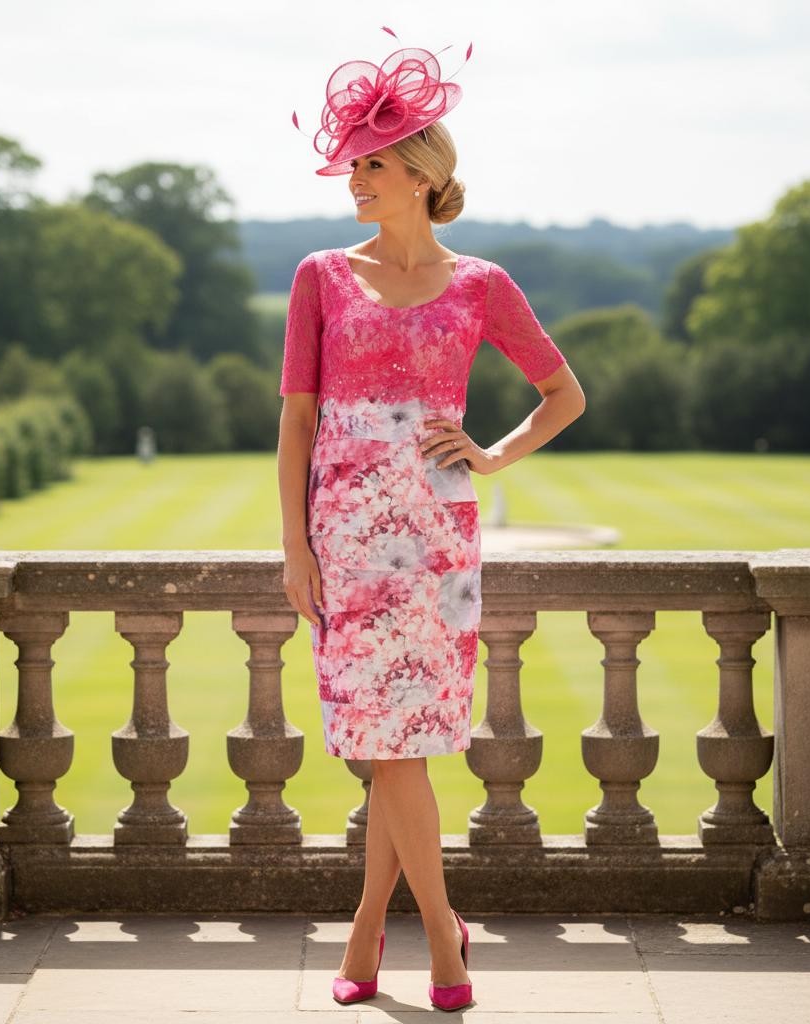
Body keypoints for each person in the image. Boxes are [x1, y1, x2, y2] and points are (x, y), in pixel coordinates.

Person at [277, 30, 586, 1012]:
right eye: (352, 167)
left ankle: (376, 930)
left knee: (400, 742)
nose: (355, 182)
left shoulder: (480, 285)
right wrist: (293, 545)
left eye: (370, 166)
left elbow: (562, 392)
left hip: (439, 537)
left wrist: (490, 455)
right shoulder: (319, 275)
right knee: (387, 740)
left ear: (418, 173)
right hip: (345, 536)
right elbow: (296, 417)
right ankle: (433, 938)